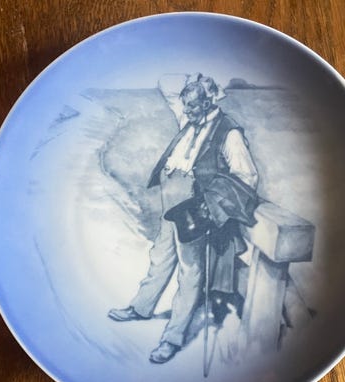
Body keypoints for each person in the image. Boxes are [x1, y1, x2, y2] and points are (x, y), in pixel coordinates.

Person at [109, 74, 259, 364]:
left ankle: (172, 338)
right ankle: (140, 307)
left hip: (195, 208)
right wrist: (195, 81)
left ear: (208, 102)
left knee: (189, 272)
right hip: (171, 203)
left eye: (192, 106)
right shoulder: (190, 119)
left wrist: (213, 204)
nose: (186, 111)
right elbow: (165, 82)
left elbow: (247, 176)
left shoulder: (229, 133)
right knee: (160, 257)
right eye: (185, 105)